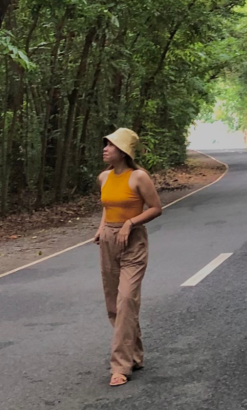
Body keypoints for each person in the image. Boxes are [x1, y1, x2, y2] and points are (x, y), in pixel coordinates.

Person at [93, 128, 163, 386]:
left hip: (132, 241)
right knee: (114, 305)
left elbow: (156, 208)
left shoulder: (139, 177)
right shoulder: (104, 177)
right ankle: (134, 354)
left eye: (109, 145)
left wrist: (130, 223)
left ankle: (120, 366)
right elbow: (108, 208)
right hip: (109, 242)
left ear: (123, 151)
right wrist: (102, 228)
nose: (105, 149)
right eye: (105, 144)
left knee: (126, 300)